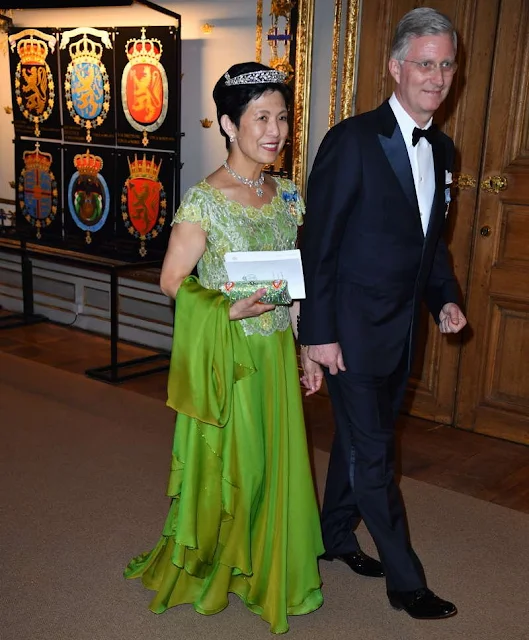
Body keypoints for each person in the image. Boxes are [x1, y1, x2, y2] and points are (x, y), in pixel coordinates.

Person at [123, 61, 324, 635]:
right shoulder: (203, 201)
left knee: (275, 467)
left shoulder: (287, 195)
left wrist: (305, 348)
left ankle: (266, 567)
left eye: (282, 117)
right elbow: (171, 280)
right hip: (229, 360)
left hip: (276, 357)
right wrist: (225, 309)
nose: (276, 131)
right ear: (230, 126)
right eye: (262, 117)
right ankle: (223, 563)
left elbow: (293, 283)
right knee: (239, 469)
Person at [298, 7, 467, 620]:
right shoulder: (352, 139)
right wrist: (317, 334)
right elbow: (318, 244)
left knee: (358, 438)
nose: (437, 76)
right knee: (375, 455)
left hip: (402, 332)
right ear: (396, 67)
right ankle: (406, 582)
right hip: (347, 330)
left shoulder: (443, 149)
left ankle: (335, 534)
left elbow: (431, 242)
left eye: (446, 64)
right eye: (425, 63)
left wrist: (444, 298)